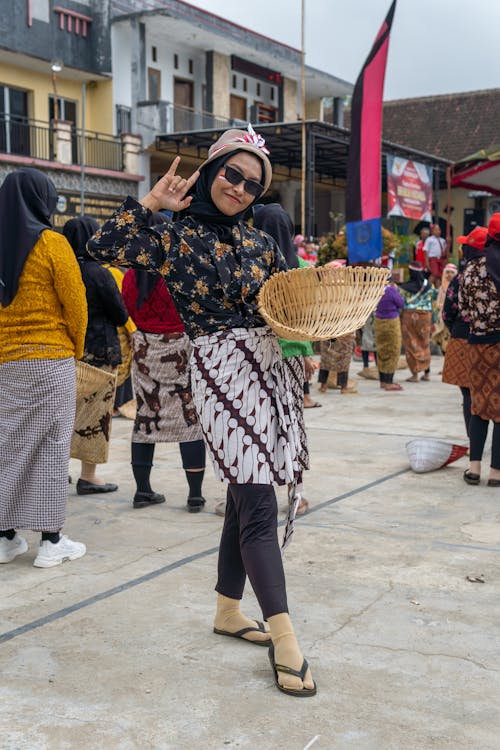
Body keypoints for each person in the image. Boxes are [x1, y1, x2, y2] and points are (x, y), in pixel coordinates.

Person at [88, 125, 316, 696]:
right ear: (213, 171)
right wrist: (151, 203)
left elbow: (279, 310)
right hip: (216, 371)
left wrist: (301, 349)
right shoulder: (173, 235)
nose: (239, 189)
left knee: (245, 494)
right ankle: (286, 636)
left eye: (252, 184)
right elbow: (100, 249)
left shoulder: (262, 244)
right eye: (232, 175)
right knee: (257, 499)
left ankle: (226, 610)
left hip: (268, 371)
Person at [0, 168, 87, 567]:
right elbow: (76, 304)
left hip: (5, 363)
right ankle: (51, 541)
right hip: (50, 361)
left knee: (8, 447)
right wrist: (76, 348)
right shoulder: (52, 243)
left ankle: (5, 537)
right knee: (51, 449)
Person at [122, 212, 206, 511]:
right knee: (188, 419)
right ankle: (194, 495)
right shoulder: (181, 271)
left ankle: (142, 491)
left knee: (146, 418)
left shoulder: (131, 275)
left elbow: (127, 308)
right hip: (180, 348)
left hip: (145, 350)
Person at [253, 203, 315, 516]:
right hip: (289, 358)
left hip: (252, 358)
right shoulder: (301, 267)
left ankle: (246, 501)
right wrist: (306, 353)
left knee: (250, 425)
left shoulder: (248, 264)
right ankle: (297, 495)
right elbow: (305, 319)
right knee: (290, 424)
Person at [63, 216, 129, 495]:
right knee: (96, 414)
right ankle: (88, 477)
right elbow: (119, 313)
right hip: (100, 352)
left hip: (66, 352)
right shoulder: (99, 273)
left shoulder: (61, 269)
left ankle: (56, 471)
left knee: (63, 414)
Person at [459, 214, 500, 487]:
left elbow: (463, 310)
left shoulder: (471, 269)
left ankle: (474, 468)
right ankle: (496, 472)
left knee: (479, 404)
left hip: (477, 344)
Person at [442, 228, 487, 437]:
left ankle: (473, 442)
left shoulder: (462, 277)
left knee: (468, 393)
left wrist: (457, 329)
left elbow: (447, 312)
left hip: (461, 338)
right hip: (489, 338)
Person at [399, 261, 438, 382]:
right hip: (425, 317)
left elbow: (401, 303)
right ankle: (427, 373)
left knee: (411, 344)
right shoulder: (429, 286)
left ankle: (415, 374)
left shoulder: (404, 287)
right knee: (424, 343)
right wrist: (434, 321)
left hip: (408, 317)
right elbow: (434, 304)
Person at [374, 278, 404, 390]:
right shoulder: (391, 290)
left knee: (381, 350)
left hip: (378, 321)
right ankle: (388, 382)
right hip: (391, 322)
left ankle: (382, 381)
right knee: (393, 351)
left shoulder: (374, 289)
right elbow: (401, 303)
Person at [432, 263, 458, 354]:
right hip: (441, 318)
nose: (449, 275)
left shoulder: (458, 287)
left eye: (452, 272)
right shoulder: (441, 289)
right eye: (447, 272)